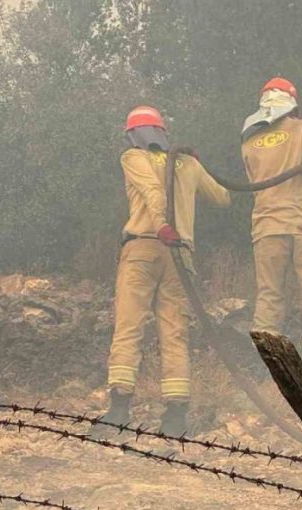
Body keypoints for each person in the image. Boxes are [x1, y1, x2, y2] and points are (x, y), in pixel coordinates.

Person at [103, 105, 231, 435]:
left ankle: (118, 411)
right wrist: (197, 167)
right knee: (175, 331)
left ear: (132, 134)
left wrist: (161, 224)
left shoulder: (133, 157)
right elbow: (223, 198)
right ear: (163, 131)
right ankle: (175, 417)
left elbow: (152, 191)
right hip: (180, 253)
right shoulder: (186, 162)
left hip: (145, 246)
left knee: (129, 326)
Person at [241, 76, 302, 370]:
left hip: (266, 226)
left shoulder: (250, 140)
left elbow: (252, 181)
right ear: (292, 102)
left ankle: (266, 361)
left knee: (270, 293)